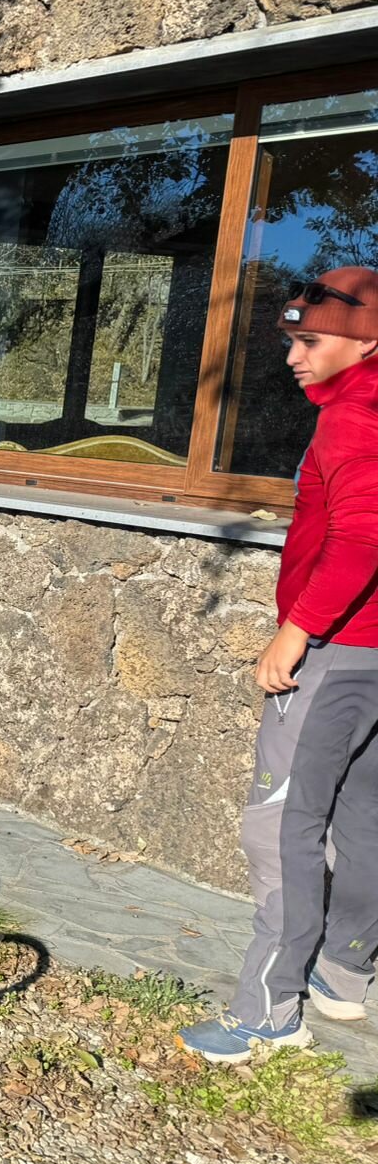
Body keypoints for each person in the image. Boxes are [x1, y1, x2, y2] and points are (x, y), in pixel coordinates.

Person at [181, 267, 378, 1062]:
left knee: (280, 826)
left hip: (336, 655)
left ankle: (267, 1010)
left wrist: (295, 633)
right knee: (363, 819)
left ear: (367, 340)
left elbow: (363, 540)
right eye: (292, 340)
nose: (294, 356)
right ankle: (345, 973)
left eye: (311, 341)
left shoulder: (355, 421)